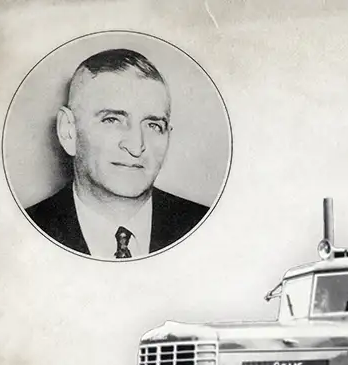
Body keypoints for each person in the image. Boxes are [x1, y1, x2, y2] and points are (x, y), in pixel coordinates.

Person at [24, 48, 209, 260]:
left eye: (153, 125)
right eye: (112, 120)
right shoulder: (23, 231)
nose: (136, 146)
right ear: (68, 131)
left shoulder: (207, 227)